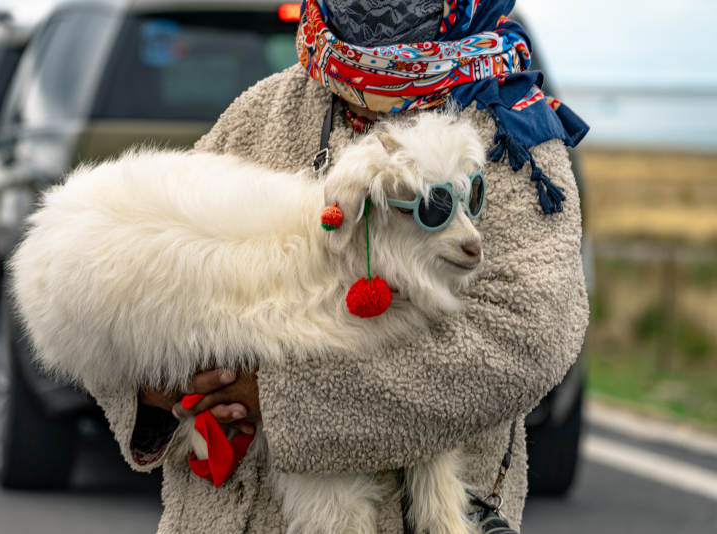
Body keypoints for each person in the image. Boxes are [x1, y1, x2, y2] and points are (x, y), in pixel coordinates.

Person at [87, 1, 589, 532]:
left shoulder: (512, 135)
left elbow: (523, 333)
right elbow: (137, 266)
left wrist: (279, 394)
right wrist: (154, 381)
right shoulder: (258, 114)